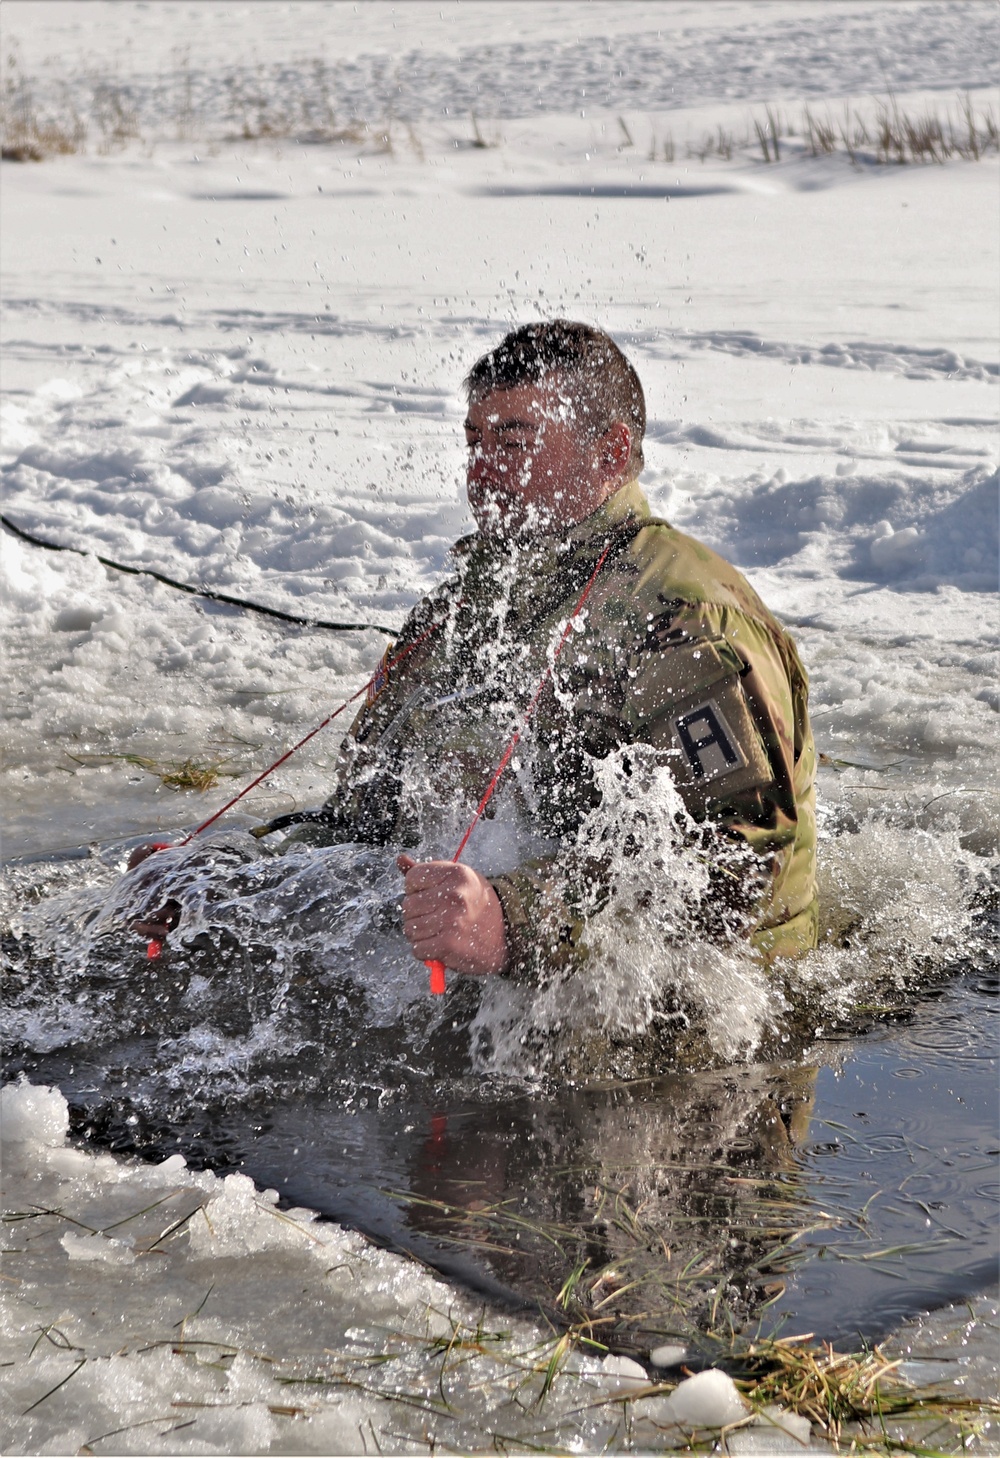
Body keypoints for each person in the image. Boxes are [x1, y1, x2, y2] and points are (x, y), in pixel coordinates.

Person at [258, 320, 817, 983]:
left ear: (609, 452)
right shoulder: (456, 612)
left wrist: (513, 923)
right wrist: (233, 888)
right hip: (482, 999)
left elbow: (741, 861)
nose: (482, 466)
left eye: (514, 439)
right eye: (474, 440)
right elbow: (362, 824)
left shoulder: (684, 616)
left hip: (680, 1037)